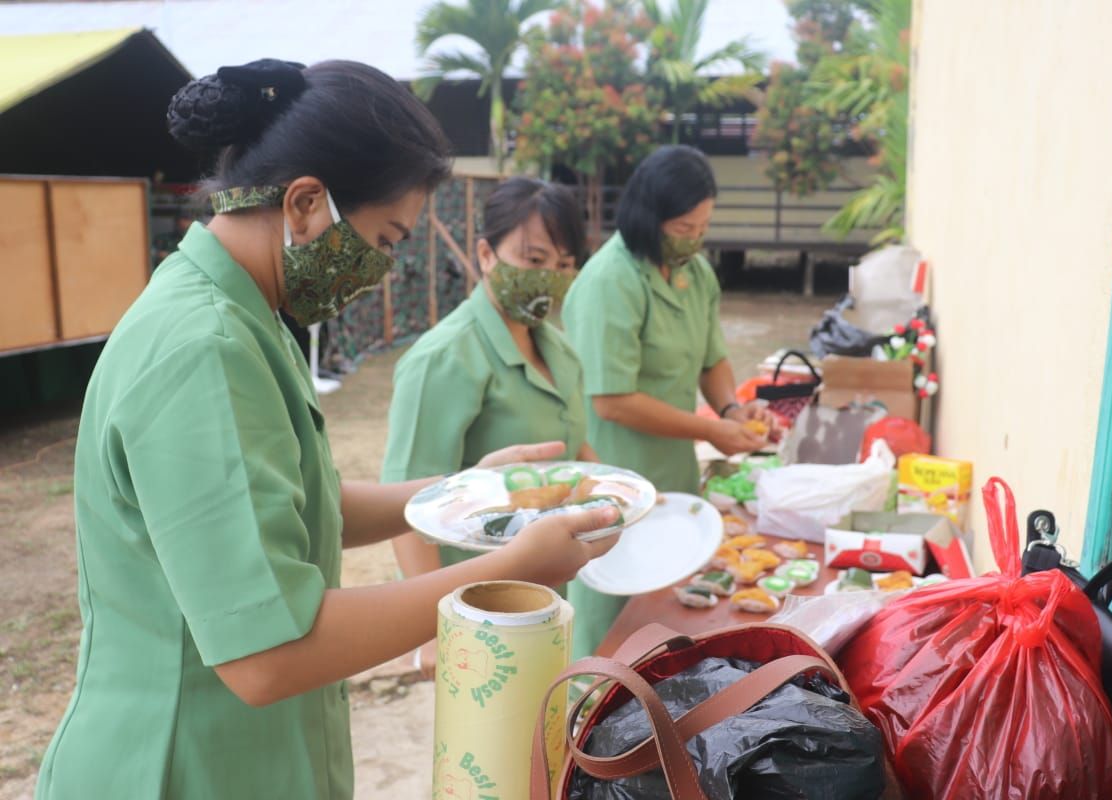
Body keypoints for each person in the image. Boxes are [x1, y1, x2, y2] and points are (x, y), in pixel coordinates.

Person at [35, 60, 617, 800]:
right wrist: (510, 569)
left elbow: (299, 502)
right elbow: (268, 654)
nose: (381, 267)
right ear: (306, 202)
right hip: (178, 763)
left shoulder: (248, 314)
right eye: (384, 238)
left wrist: (464, 492)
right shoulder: (202, 349)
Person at [561, 145, 773, 658]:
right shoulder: (610, 280)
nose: (694, 240)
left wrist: (730, 411)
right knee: (610, 629)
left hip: (671, 482)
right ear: (647, 217)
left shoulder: (696, 274)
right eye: (682, 229)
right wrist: (709, 431)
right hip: (612, 483)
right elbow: (612, 400)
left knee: (663, 624)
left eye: (702, 228)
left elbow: (711, 359)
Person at [382, 177, 596, 671]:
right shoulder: (443, 358)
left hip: (545, 593)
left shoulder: (558, 350)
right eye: (534, 259)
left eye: (564, 265)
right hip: (472, 609)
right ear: (485, 254)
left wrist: (625, 497)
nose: (550, 276)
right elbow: (406, 505)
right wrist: (433, 631)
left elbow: (573, 445)